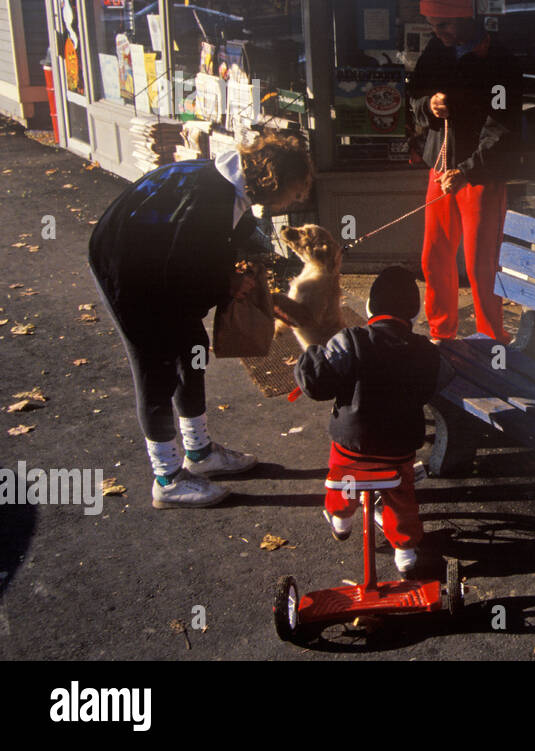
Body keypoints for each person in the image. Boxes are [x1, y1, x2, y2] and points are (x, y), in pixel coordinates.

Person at [88, 130, 314, 509]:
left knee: (192, 351)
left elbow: (224, 238)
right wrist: (228, 284)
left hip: (157, 265)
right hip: (127, 272)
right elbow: (182, 269)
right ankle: (168, 479)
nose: (295, 201)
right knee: (155, 366)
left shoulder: (229, 184)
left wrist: (251, 264)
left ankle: (200, 451)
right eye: (293, 193)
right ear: (271, 182)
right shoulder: (207, 199)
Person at [293, 267, 448, 578]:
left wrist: (310, 356)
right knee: (400, 495)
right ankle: (405, 552)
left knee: (342, 477)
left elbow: (317, 384)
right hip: (398, 445)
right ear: (415, 314)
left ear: (369, 308)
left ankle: (341, 520)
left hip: (352, 443)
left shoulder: (350, 340)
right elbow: (438, 381)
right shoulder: (424, 352)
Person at [408, 0, 525, 342]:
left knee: (480, 264)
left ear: (462, 17)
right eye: (432, 25)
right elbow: (412, 101)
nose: (437, 32)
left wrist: (467, 170)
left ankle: (493, 338)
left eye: (442, 25)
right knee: (434, 257)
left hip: (481, 174)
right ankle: (441, 334)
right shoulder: (435, 51)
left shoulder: (500, 60)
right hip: (441, 165)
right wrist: (429, 105)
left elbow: (502, 127)